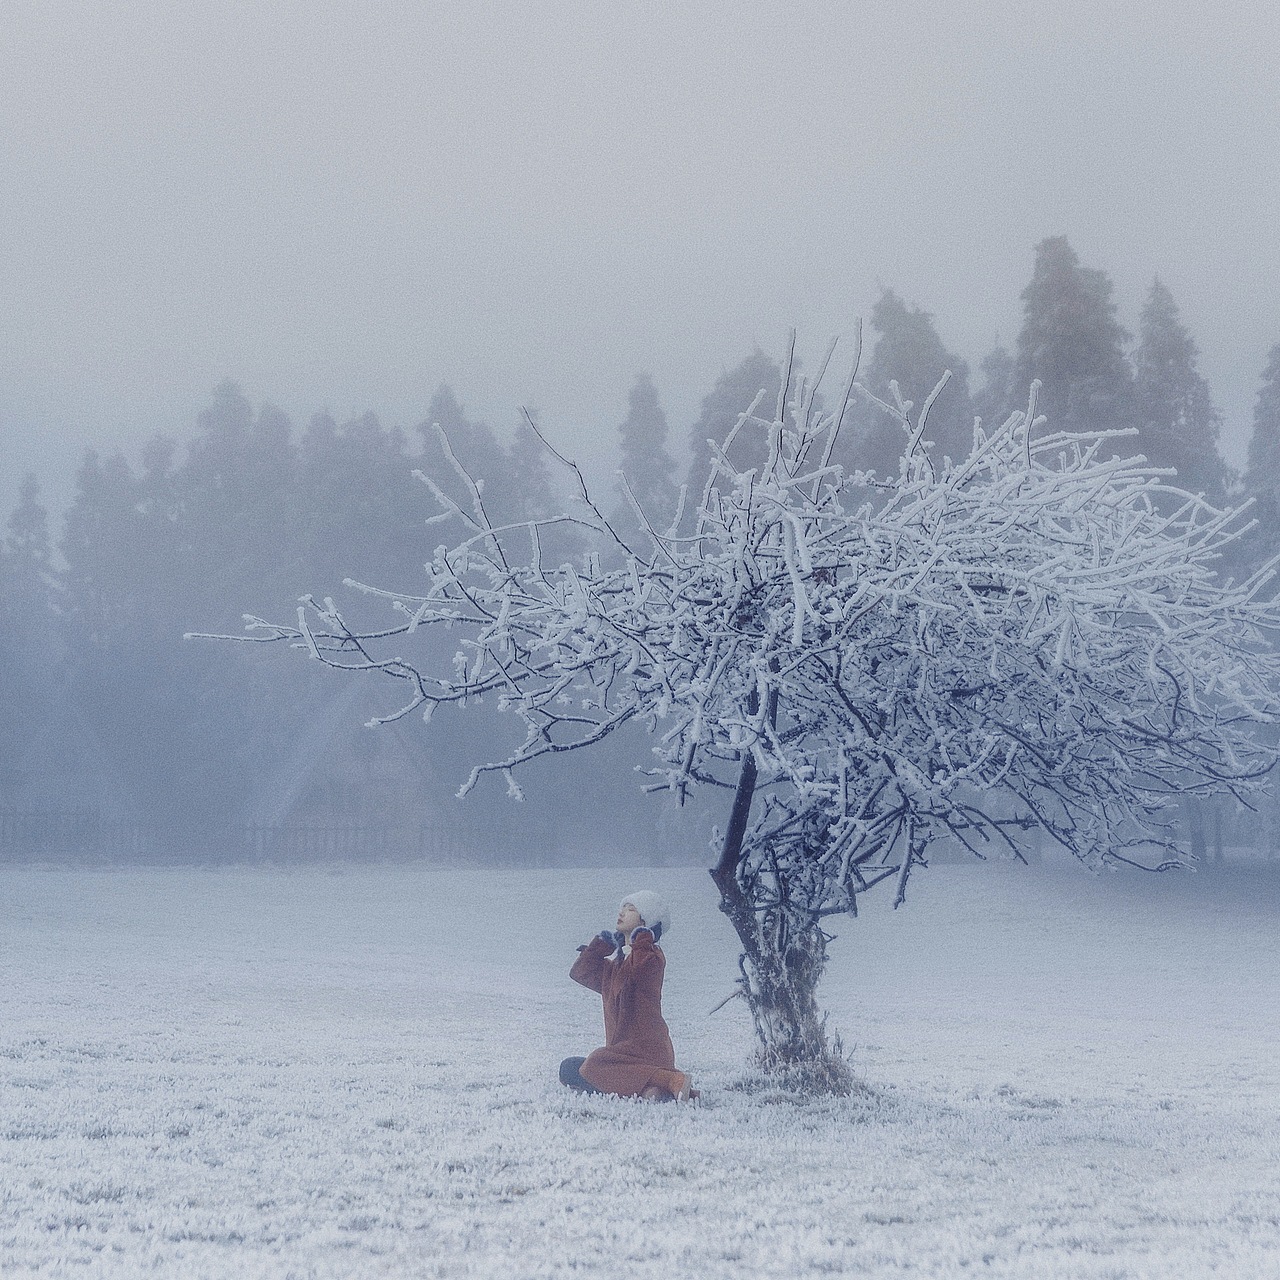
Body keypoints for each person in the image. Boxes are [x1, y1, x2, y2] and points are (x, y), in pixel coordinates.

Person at [561, 890, 693, 1102]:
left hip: (648, 1053)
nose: (622, 913)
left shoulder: (652, 957)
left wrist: (641, 937)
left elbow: (639, 968)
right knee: (569, 1068)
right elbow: (580, 972)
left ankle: (670, 1079)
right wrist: (603, 945)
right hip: (620, 1057)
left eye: (631, 909)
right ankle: (650, 1089)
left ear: (645, 921)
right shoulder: (615, 968)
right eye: (622, 908)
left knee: (595, 1063)